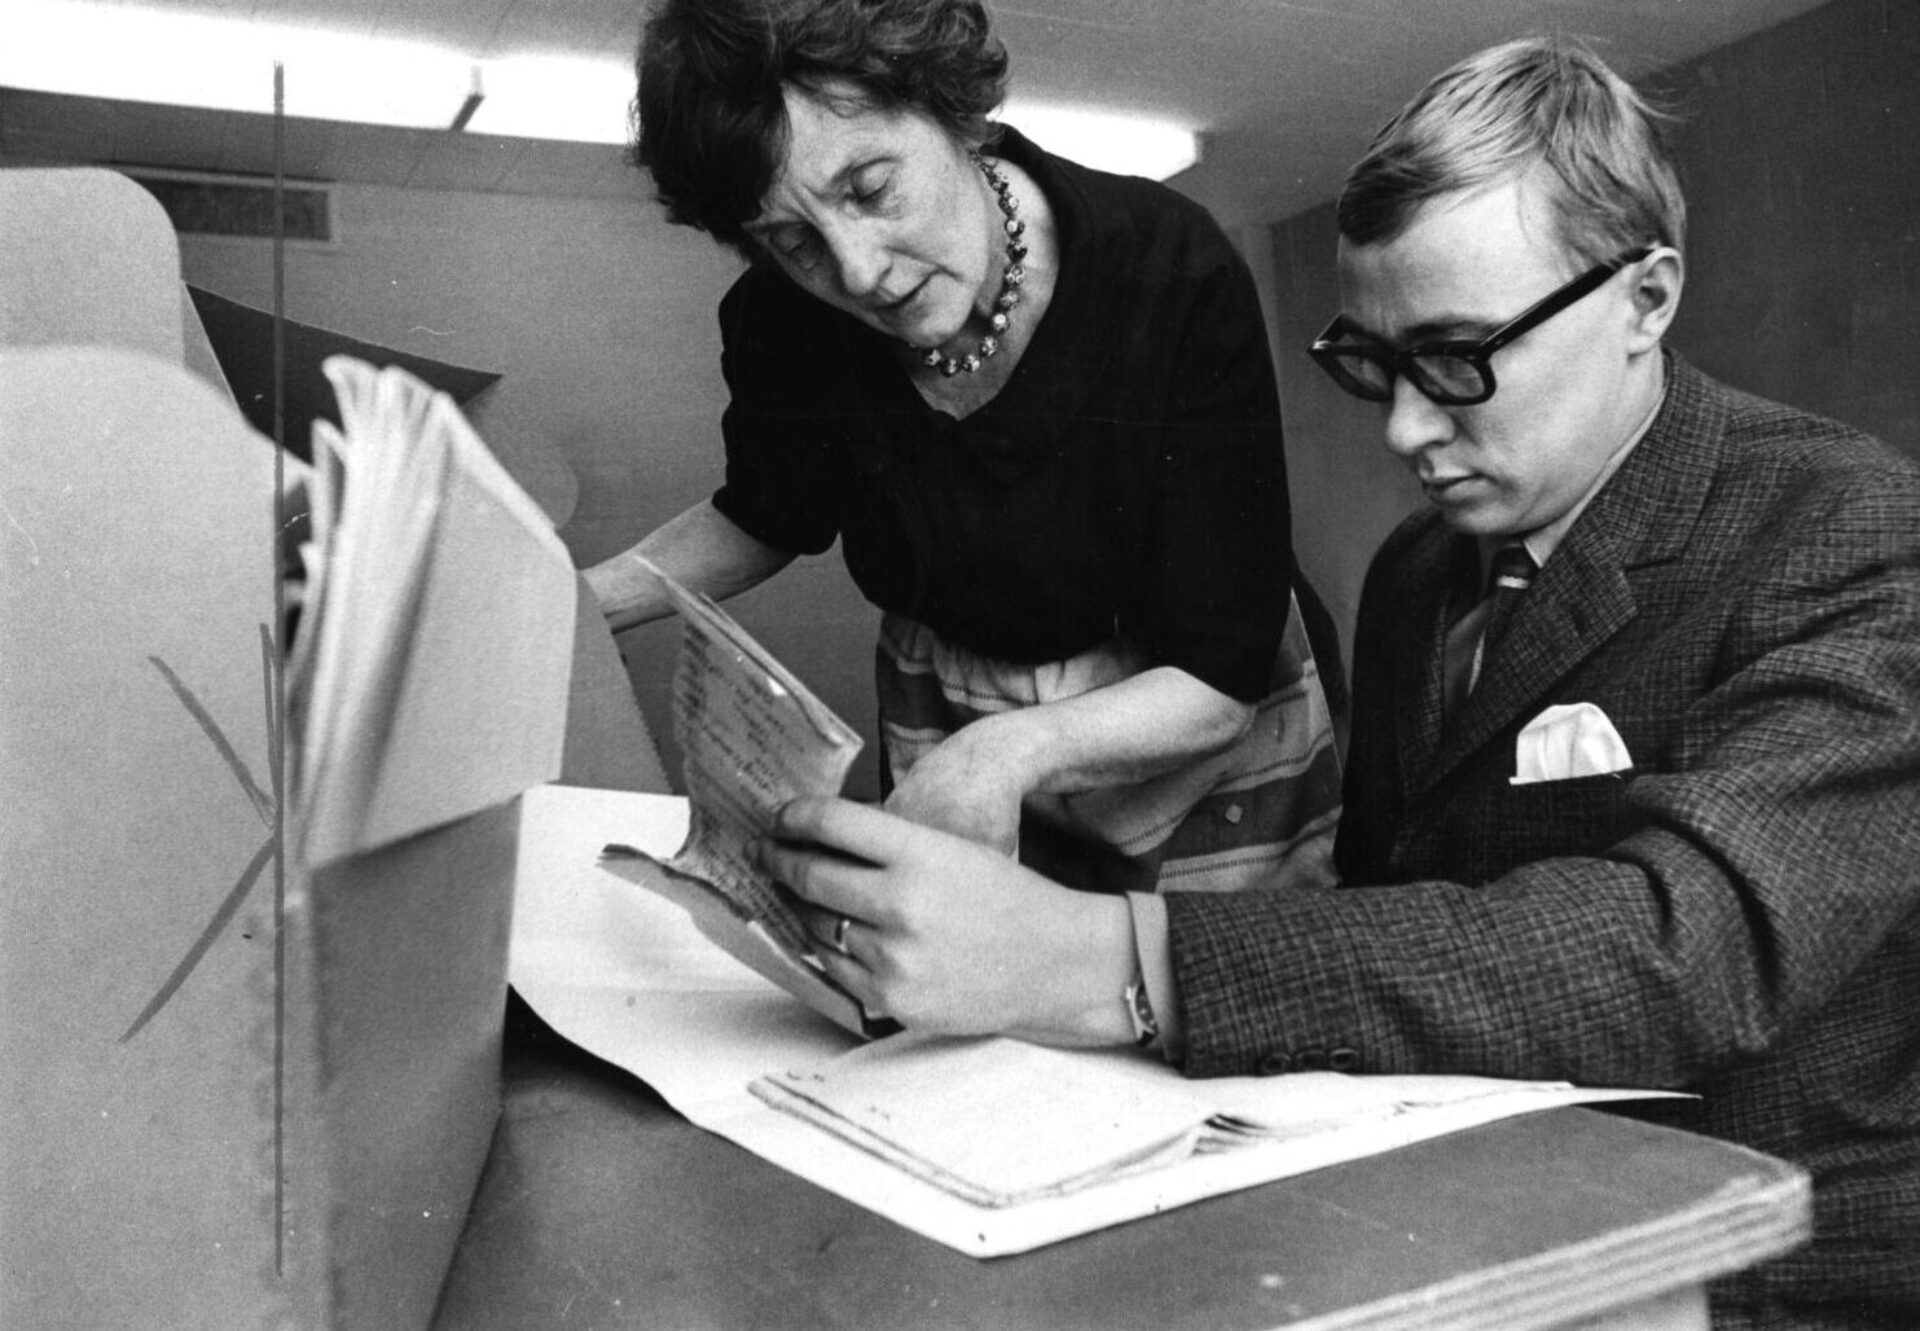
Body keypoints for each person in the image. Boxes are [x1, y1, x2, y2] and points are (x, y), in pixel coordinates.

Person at [756, 36, 1920, 1329]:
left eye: (1459, 358)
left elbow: (1688, 947)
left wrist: (1113, 959)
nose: (1406, 429)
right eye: (1373, 364)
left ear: (1645, 298)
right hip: (1490, 1193)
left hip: (1775, 1260)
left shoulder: (1854, 529)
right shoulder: (1421, 572)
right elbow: (1395, 904)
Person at [585, 0, 1342, 897]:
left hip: (1184, 713)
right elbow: (767, 512)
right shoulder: (782, 319)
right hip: (953, 710)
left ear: (955, 113)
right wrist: (579, 602)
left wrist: (1005, 752)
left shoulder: (1172, 270)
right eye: (793, 241)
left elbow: (1219, 670)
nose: (858, 271)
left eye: (871, 189)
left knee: (1187, 971)